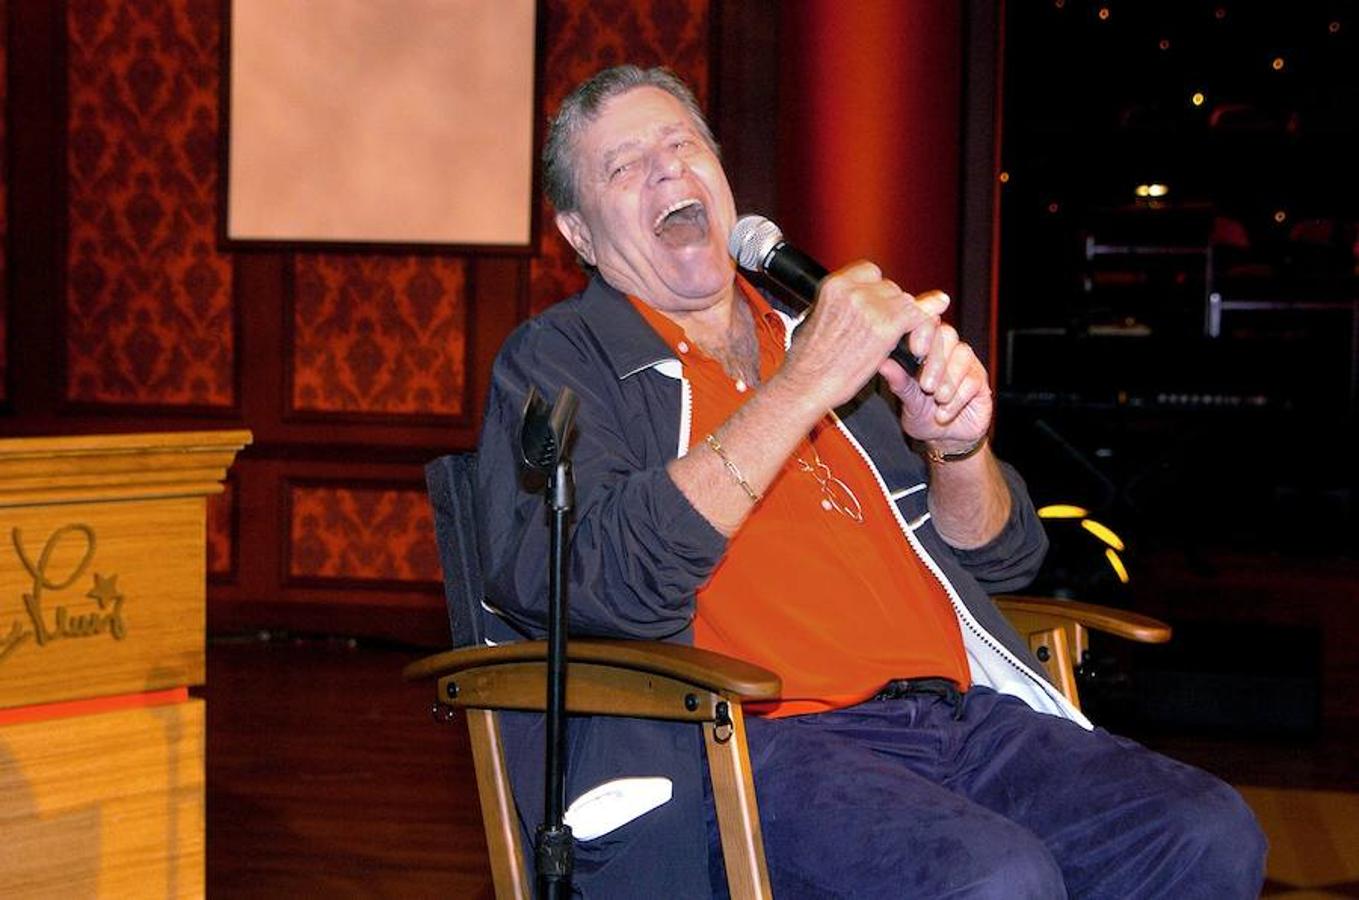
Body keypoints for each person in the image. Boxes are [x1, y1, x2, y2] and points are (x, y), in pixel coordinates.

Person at [475, 64, 1266, 898]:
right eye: (624, 166)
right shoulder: (562, 361)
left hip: (956, 719)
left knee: (1204, 832)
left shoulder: (815, 341)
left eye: (682, 144)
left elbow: (997, 560)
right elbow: (594, 583)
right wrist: (798, 390)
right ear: (581, 235)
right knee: (994, 879)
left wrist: (955, 449)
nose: (668, 169)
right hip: (760, 743)